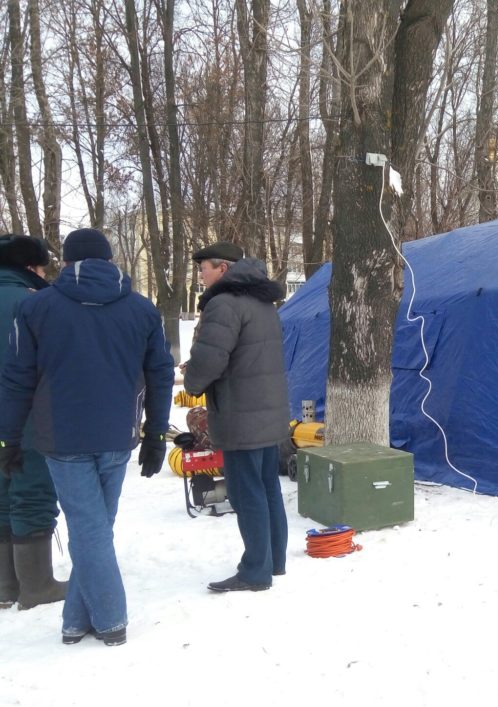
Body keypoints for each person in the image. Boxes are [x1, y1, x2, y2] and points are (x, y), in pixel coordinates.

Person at [0, 228, 174, 646]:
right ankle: (76, 620)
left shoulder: (37, 307)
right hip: (118, 433)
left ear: (67, 260)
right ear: (109, 259)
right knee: (94, 527)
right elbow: (161, 375)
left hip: (61, 438)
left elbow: (18, 379)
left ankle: (111, 620)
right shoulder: (141, 310)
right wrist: (153, 434)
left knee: (90, 528)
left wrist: (9, 439)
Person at [183, 242, 290, 592]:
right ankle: (274, 561)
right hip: (267, 412)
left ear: (224, 269)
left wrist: (193, 379)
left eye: (204, 268)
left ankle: (255, 571)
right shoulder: (263, 303)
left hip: (240, 414)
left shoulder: (223, 304)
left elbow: (211, 359)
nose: (200, 274)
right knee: (268, 487)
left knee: (247, 494)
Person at [0, 234, 65, 610]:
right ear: (29, 267)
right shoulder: (35, 303)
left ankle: (7, 585)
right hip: (27, 415)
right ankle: (37, 584)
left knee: (2, 494)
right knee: (32, 490)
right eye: (42, 267)